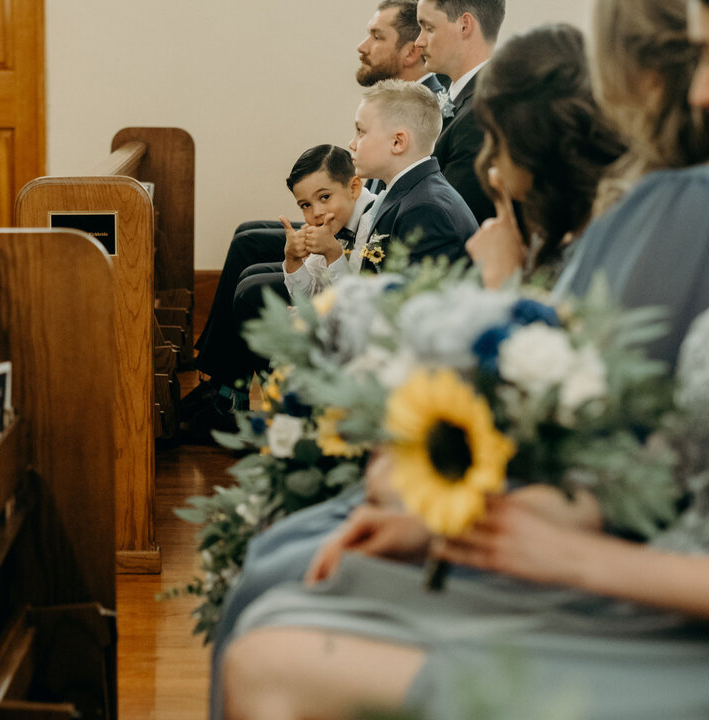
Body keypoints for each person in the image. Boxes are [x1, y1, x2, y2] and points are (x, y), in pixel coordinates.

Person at [220, 2, 709, 718]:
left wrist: (565, 551)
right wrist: (466, 516)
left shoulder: (672, 206)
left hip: (655, 595)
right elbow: (647, 457)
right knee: (291, 591)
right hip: (637, 549)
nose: (697, 88)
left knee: (275, 642)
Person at [184, 0, 449, 439]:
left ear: (408, 52)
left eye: (377, 36)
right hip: (357, 225)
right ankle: (223, 386)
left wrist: (335, 240)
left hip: (364, 253)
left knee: (253, 279)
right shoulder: (393, 128)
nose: (363, 47)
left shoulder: (424, 134)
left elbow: (379, 288)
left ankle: (235, 397)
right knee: (251, 238)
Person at [182, 146, 376, 433]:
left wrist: (334, 254)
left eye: (324, 198)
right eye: (305, 206)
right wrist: (292, 260)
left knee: (252, 289)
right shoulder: (334, 223)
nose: (316, 212)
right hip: (328, 303)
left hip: (351, 330)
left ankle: (268, 406)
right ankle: (226, 391)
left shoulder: (368, 226)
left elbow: (351, 302)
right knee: (247, 254)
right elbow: (308, 289)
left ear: (354, 187)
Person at [464, 25, 627, 288]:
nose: (488, 160)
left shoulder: (607, 245)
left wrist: (503, 278)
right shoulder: (574, 228)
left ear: (530, 140)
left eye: (495, 136)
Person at [346, 80, 476, 273]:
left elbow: (409, 300)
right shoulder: (411, 193)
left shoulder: (427, 211)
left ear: (398, 142)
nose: (352, 144)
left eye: (361, 132)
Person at [416, 0, 506, 224]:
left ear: (465, 25)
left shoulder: (479, 114)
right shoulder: (457, 95)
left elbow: (448, 219)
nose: (419, 41)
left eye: (429, 28)